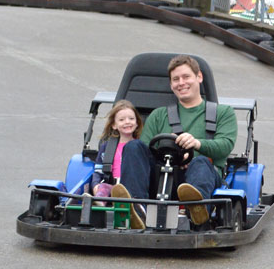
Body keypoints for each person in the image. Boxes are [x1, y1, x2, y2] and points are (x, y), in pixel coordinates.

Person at [112, 55, 237, 228]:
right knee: (133, 146)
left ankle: (196, 208)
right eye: (176, 79)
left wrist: (196, 144)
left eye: (186, 77)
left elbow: (225, 146)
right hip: (163, 177)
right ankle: (136, 208)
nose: (181, 83)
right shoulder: (159, 115)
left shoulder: (222, 113)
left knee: (200, 162)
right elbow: (145, 151)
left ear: (199, 77)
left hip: (200, 176)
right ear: (171, 85)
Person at [89, 100, 143, 200]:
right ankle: (99, 201)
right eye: (122, 120)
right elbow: (98, 171)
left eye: (131, 119)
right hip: (111, 188)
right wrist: (96, 185)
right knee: (104, 188)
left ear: (137, 123)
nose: (127, 122)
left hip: (132, 189)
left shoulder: (140, 147)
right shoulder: (107, 147)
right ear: (114, 125)